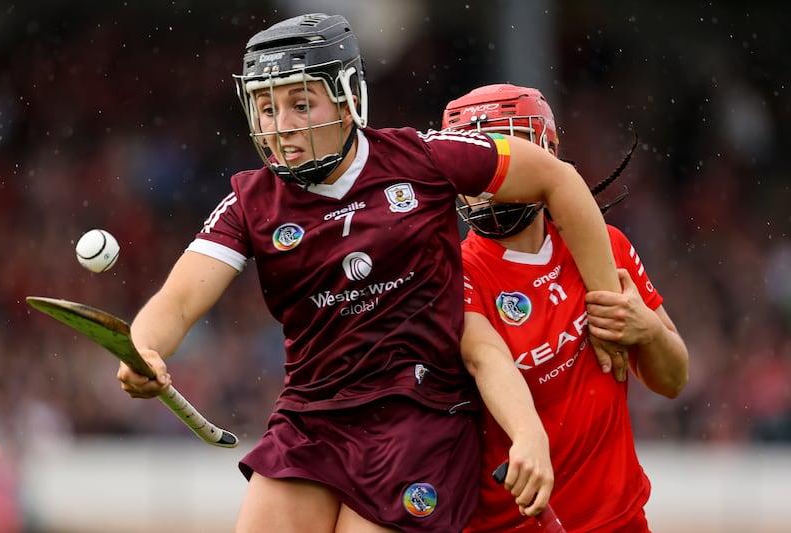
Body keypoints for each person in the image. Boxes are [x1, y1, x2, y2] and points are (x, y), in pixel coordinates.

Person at [116, 14, 624, 533]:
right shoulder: (251, 203)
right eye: (267, 108)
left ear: (347, 99)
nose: (282, 125)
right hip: (312, 418)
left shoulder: (422, 159)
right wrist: (145, 347)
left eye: (300, 103)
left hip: (420, 418)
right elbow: (178, 299)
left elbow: (557, 180)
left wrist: (606, 297)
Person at [443, 83, 690, 532]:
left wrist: (648, 332)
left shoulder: (603, 248)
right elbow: (483, 359)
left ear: (544, 156)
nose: (488, 182)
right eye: (473, 163)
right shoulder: (454, 272)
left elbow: (674, 380)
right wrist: (528, 432)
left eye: (501, 161)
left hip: (621, 522)